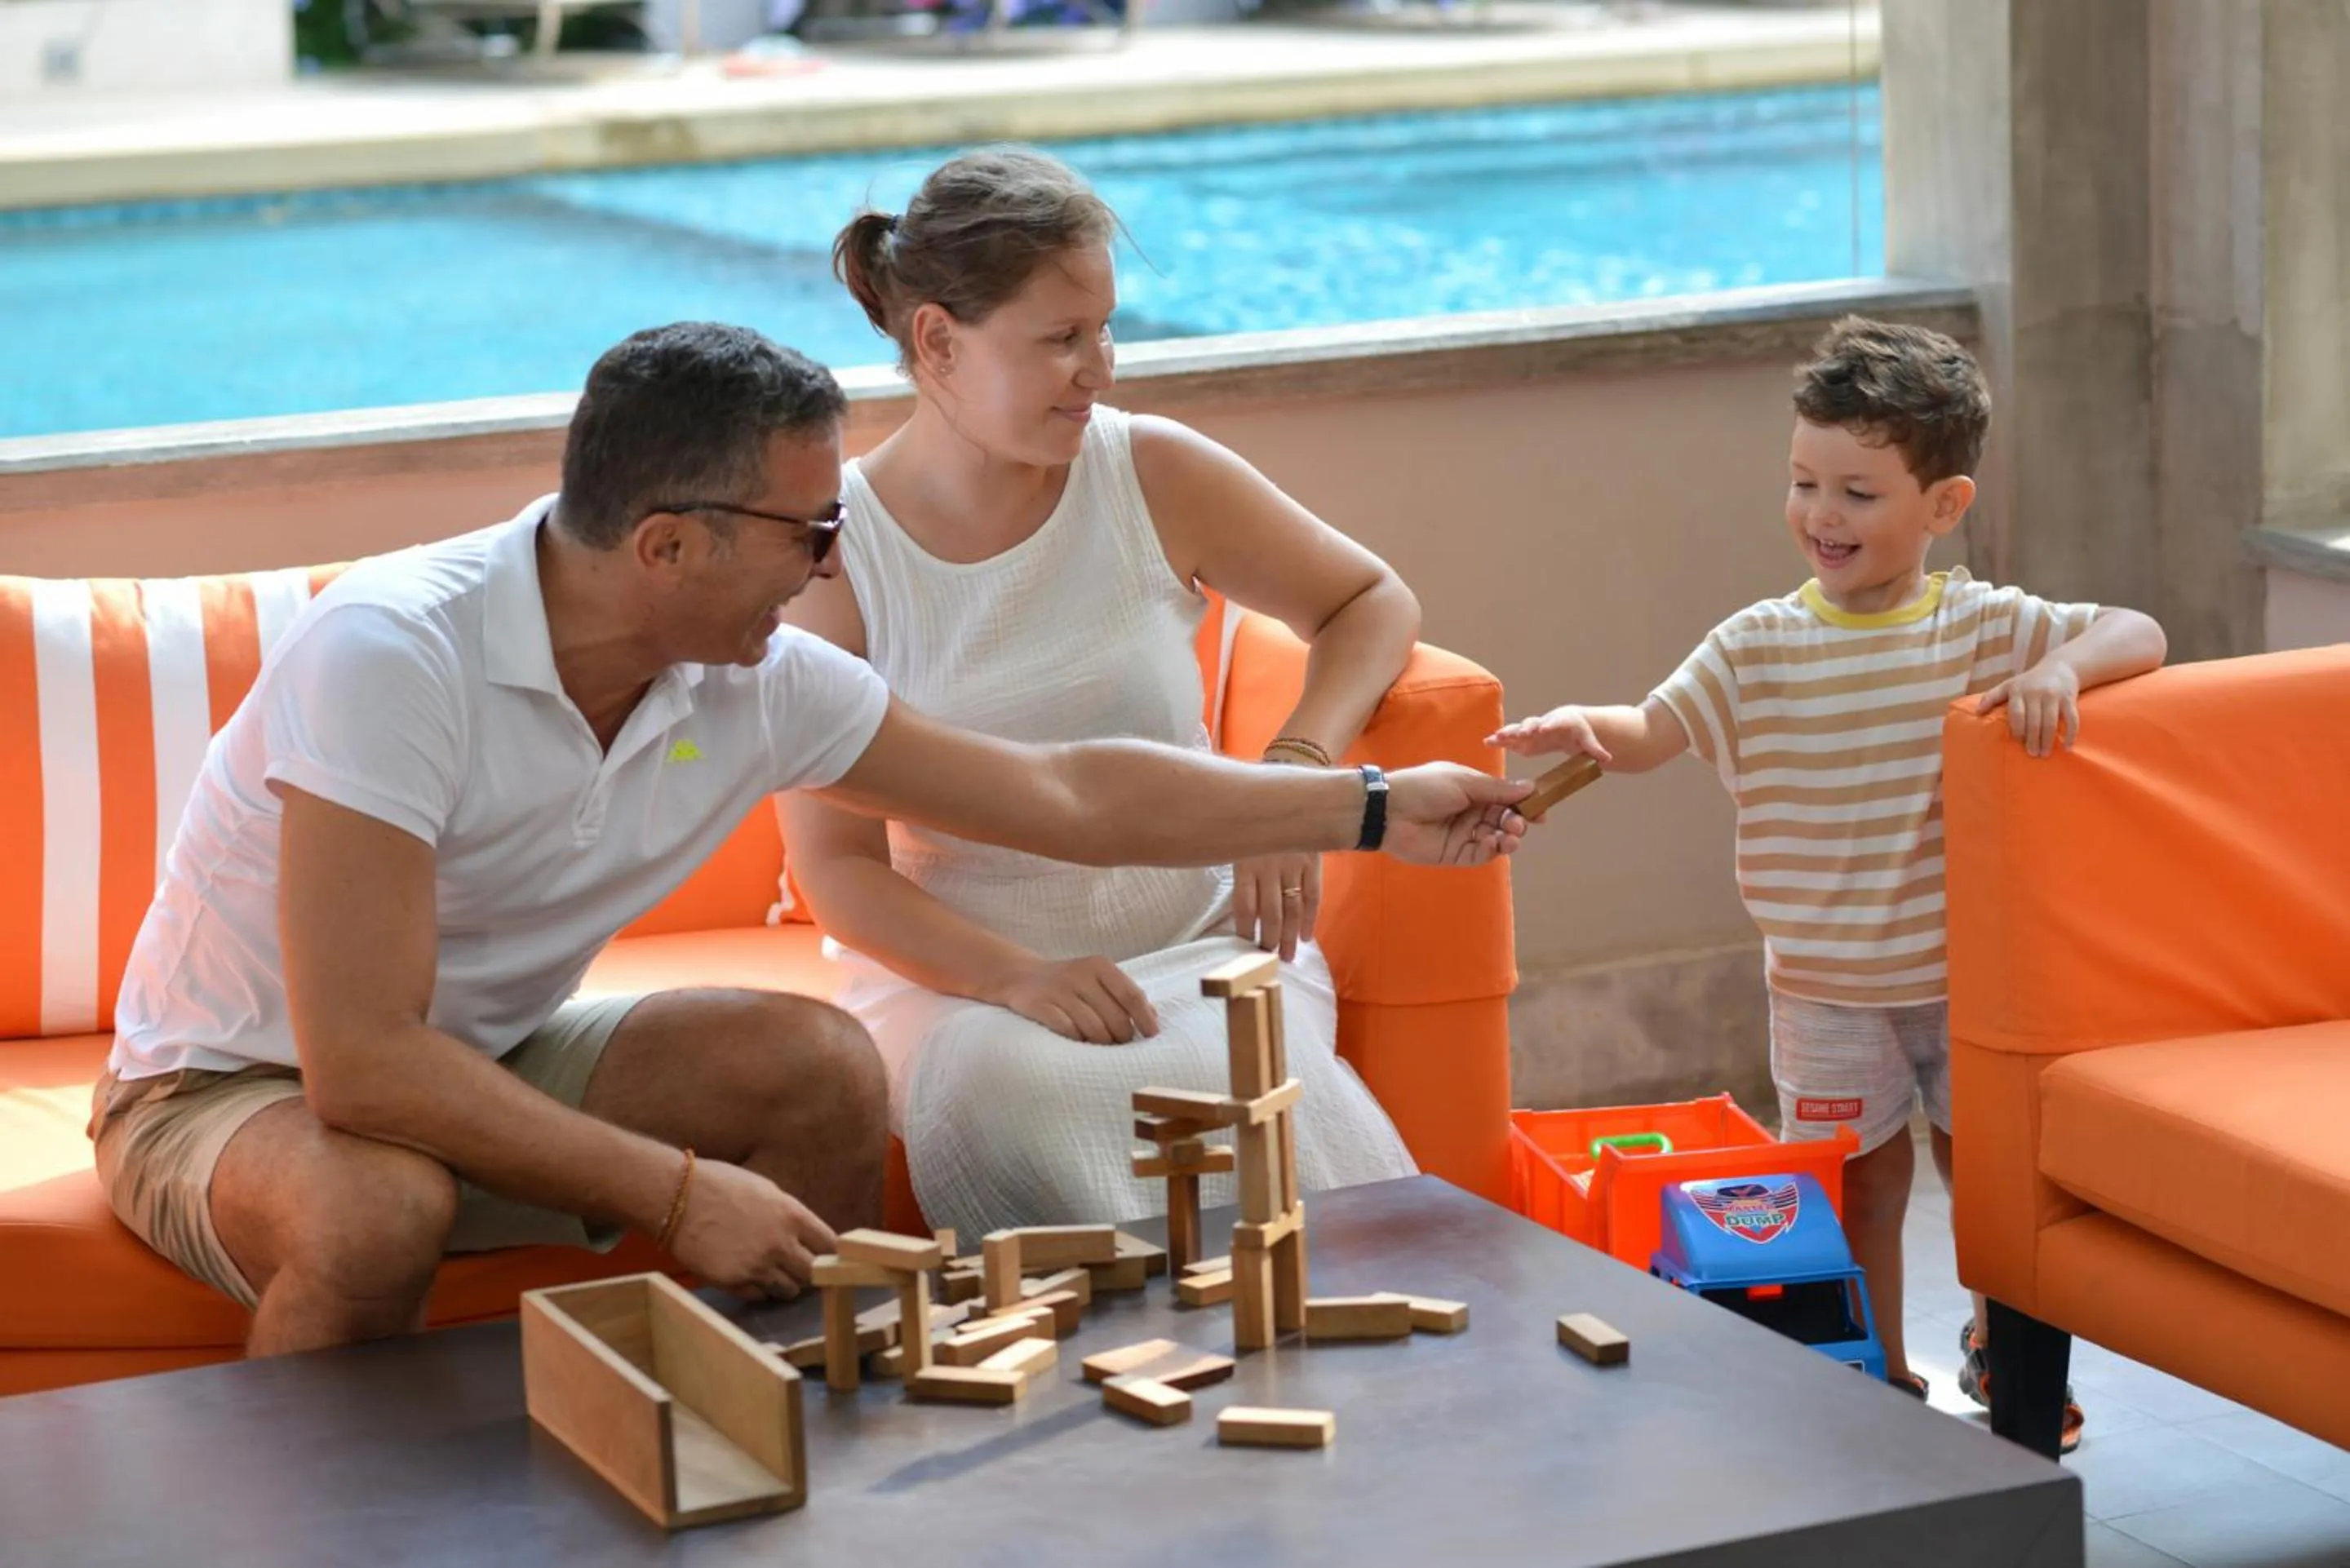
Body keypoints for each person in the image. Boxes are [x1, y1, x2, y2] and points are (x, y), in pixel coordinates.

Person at [91, 320, 1529, 1360]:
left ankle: (792, 1462)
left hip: (485, 1053)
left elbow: (1071, 793)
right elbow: (364, 1062)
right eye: (811, 533)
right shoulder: (394, 653)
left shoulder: (746, 672)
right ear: (667, 547)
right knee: (375, 1209)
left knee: (814, 1068)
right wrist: (673, 1189)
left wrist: (1375, 810)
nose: (836, 567)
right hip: (230, 1089)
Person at [1488, 316, 2166, 1451]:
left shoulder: (1982, 624)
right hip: (1822, 987)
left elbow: (2139, 632)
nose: (1820, 515)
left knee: (1986, 1176)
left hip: (1967, 981)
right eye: (1804, 482)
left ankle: (2010, 1354)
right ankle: (1880, 1371)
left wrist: (2059, 664)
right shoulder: (1755, 644)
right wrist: (1584, 725)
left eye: (1857, 492)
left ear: (1943, 507)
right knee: (1863, 1183)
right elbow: (1655, 728)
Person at [780, 146, 1424, 1239]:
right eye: (1061, 340)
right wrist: (1021, 979)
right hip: (966, 987)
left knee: (1263, 1088)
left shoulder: (1151, 472)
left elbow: (1371, 599)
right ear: (938, 340)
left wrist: (1296, 771)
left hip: (1201, 948)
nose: (1103, 368)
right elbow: (838, 873)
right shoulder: (840, 553)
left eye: (1106, 329)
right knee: (1017, 1092)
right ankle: (1133, 1380)